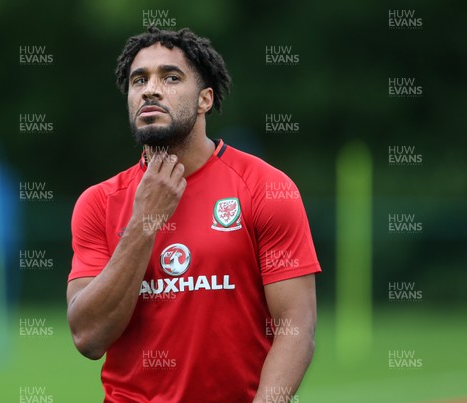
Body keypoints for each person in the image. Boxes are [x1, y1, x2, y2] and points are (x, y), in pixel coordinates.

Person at [66, 26, 321, 403]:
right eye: (140, 80)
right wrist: (145, 222)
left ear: (205, 99)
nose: (151, 89)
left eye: (170, 77)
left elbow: (296, 326)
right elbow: (88, 337)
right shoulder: (98, 202)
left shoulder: (266, 188)